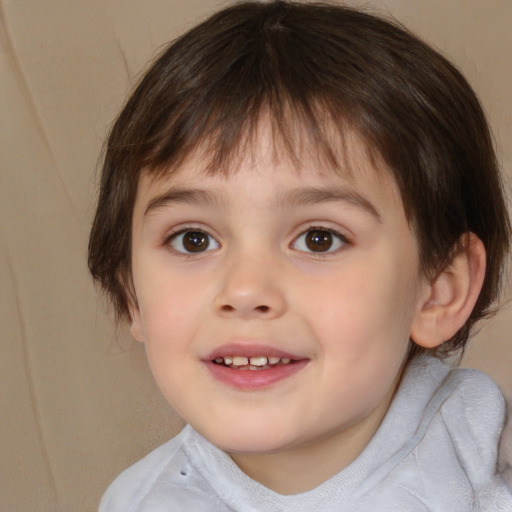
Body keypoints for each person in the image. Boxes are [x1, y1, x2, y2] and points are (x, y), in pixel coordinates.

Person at [88, 1, 512, 510]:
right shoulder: (141, 501)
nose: (245, 290)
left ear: (440, 289)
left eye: (319, 239)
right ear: (132, 294)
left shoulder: (485, 462)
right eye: (193, 239)